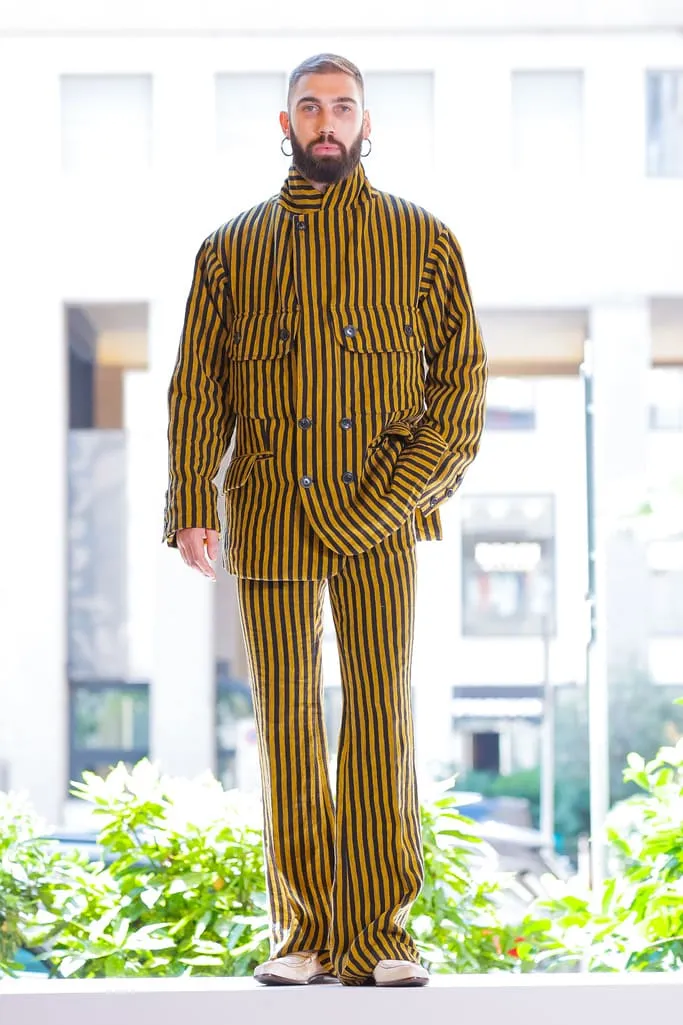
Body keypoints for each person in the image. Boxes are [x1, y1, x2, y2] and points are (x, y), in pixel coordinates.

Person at [163, 53, 487, 988]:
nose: (326, 121)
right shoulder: (229, 248)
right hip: (269, 509)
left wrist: (403, 493)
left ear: (365, 122)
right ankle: (302, 933)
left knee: (381, 709)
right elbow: (198, 387)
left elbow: (460, 384)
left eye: (342, 106)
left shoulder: (423, 239)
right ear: (286, 123)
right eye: (310, 107)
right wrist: (191, 503)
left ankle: (383, 936)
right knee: (287, 720)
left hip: (380, 512)